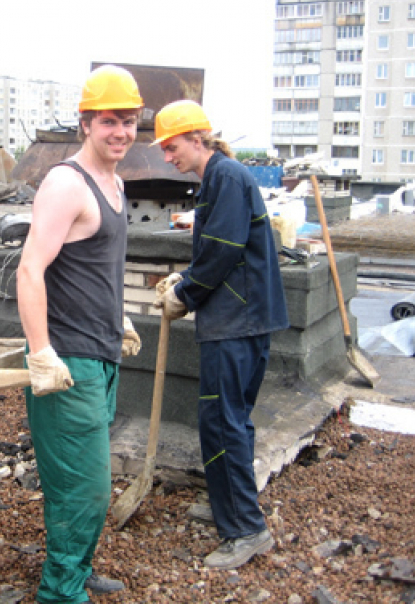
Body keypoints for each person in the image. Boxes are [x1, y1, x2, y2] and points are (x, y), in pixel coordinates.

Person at [17, 65, 143, 604]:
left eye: (130, 121)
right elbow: (29, 270)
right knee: (85, 488)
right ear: (86, 123)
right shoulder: (67, 183)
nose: (121, 132)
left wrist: (120, 316)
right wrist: (41, 352)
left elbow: (96, 266)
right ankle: (60, 592)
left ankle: (77, 568)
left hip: (102, 351)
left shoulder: (113, 184)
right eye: (110, 121)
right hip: (69, 361)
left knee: (85, 482)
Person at [151, 100, 289, 570]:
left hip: (235, 322)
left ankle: (246, 530)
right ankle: (227, 503)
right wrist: (185, 277)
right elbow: (220, 246)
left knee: (222, 423)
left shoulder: (225, 177)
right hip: (243, 318)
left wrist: (185, 293)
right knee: (233, 421)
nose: (168, 158)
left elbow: (226, 249)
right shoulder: (221, 177)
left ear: (196, 138)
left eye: (172, 148)